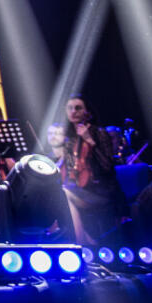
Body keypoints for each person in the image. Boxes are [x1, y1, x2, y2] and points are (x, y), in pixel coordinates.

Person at [61, 95, 125, 244]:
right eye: (70, 108)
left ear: (87, 112)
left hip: (101, 191)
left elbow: (108, 166)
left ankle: (82, 242)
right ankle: (86, 239)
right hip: (81, 189)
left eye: (78, 108)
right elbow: (71, 169)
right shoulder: (71, 139)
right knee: (57, 194)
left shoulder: (100, 133)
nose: (73, 111)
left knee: (64, 193)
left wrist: (89, 140)